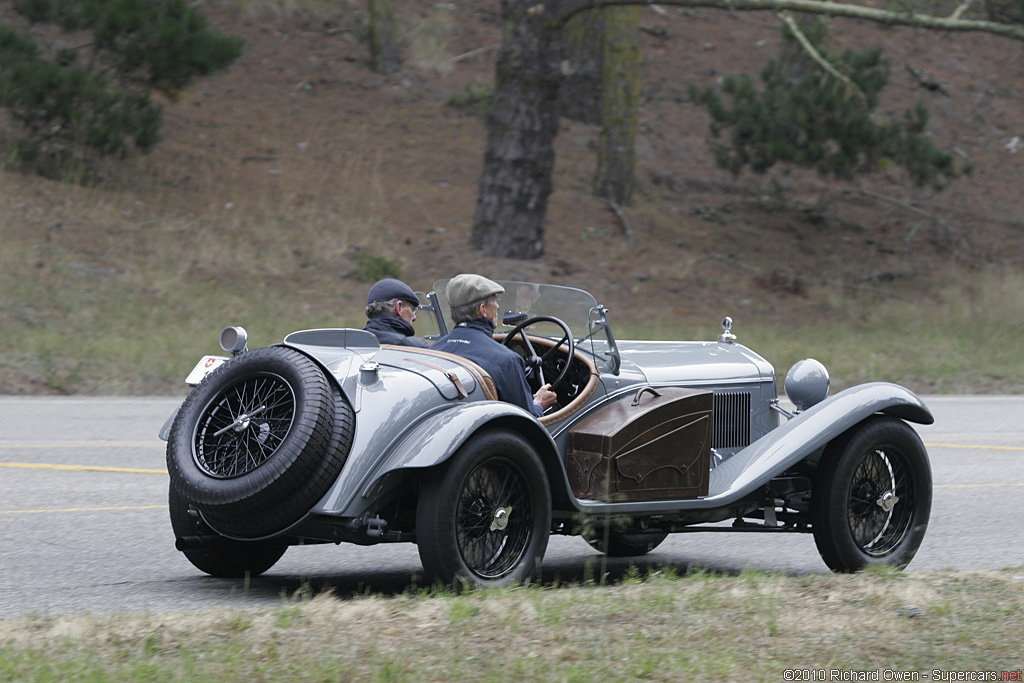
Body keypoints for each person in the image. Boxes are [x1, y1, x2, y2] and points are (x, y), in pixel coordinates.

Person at [431, 274, 557, 417]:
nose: (498, 306)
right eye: (494, 301)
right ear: (482, 309)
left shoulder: (433, 350)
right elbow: (527, 418)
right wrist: (540, 403)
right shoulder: (507, 361)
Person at [363, 278, 428, 347]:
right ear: (399, 308)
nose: (414, 318)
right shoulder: (415, 347)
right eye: (413, 310)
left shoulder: (353, 341)